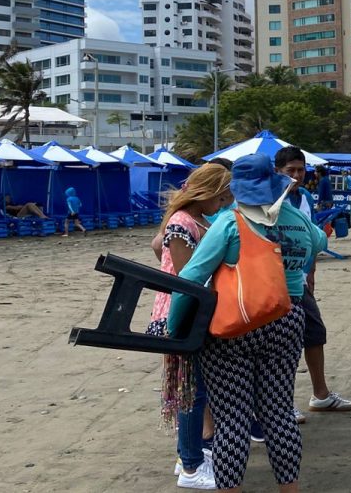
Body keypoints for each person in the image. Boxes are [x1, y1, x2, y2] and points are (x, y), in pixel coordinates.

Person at [168, 153, 327, 493]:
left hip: (235, 325)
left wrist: (174, 328)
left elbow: (192, 278)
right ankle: (290, 489)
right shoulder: (297, 218)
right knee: (279, 413)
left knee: (231, 421)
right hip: (288, 318)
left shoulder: (230, 222)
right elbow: (319, 242)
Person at [148, 163, 232, 490]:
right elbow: (189, 277)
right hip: (180, 314)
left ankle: (189, 455)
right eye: (221, 195)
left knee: (195, 389)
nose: (224, 202)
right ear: (207, 191)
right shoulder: (182, 223)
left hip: (191, 313)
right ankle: (191, 465)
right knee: (191, 392)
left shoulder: (199, 220)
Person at [274, 146, 351, 419]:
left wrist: (311, 272)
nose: (297, 175)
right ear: (278, 172)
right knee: (279, 345)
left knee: (314, 333)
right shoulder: (271, 201)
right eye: (290, 171)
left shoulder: (304, 198)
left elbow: (310, 240)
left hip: (299, 278)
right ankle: (279, 403)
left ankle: (320, 394)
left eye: (300, 169)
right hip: (273, 282)